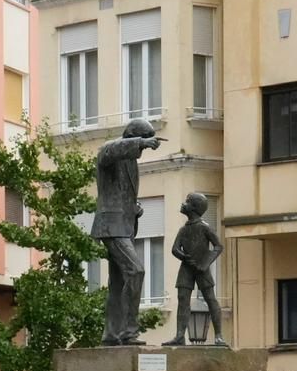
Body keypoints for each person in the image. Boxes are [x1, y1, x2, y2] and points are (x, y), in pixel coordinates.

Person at [92, 118, 164, 345]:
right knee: (136, 271)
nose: (143, 148)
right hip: (111, 227)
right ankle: (128, 332)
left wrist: (134, 209)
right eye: (143, 138)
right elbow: (108, 151)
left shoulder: (131, 163)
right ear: (132, 137)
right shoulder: (110, 153)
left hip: (124, 225)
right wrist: (141, 143)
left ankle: (112, 335)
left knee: (118, 283)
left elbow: (121, 194)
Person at [164, 192, 226, 346]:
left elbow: (218, 246)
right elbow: (174, 249)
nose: (183, 204)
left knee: (210, 299)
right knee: (183, 299)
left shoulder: (205, 227)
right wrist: (184, 257)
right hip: (186, 268)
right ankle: (179, 335)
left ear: (194, 207)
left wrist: (205, 263)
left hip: (201, 268)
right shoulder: (183, 229)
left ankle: (218, 335)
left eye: (187, 202)